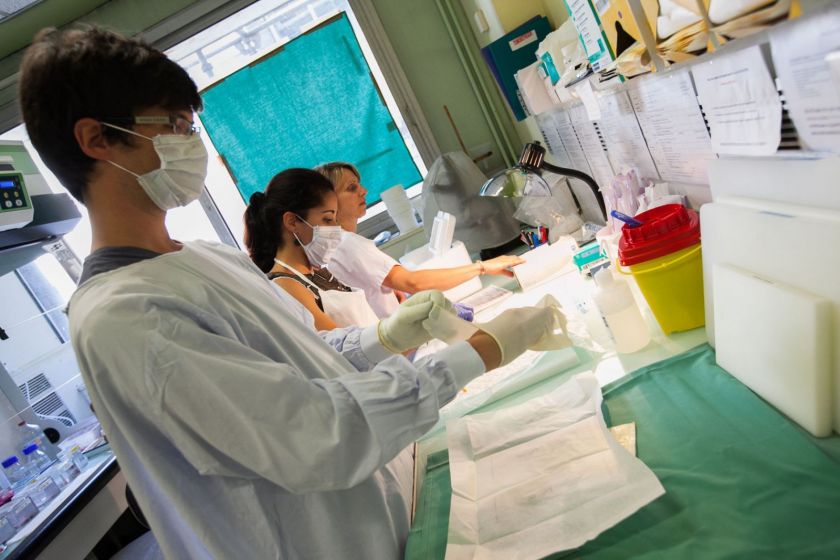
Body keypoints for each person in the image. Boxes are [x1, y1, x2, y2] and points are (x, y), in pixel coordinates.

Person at [19, 26, 559, 559]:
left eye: (191, 127)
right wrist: (475, 355)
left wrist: (385, 336)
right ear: (96, 139)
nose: (192, 145)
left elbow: (309, 355)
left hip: (383, 520)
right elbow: (310, 435)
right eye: (175, 126)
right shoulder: (125, 316)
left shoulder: (208, 258)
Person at [315, 161, 526, 317]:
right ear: (328, 201)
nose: (364, 191)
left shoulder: (333, 244)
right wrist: (482, 267)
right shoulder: (348, 244)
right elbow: (413, 282)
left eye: (359, 184)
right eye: (351, 188)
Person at [243, 168, 378, 330]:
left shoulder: (319, 274)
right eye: (327, 219)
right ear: (292, 222)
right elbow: (341, 346)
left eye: (335, 219)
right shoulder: (286, 285)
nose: (336, 227)